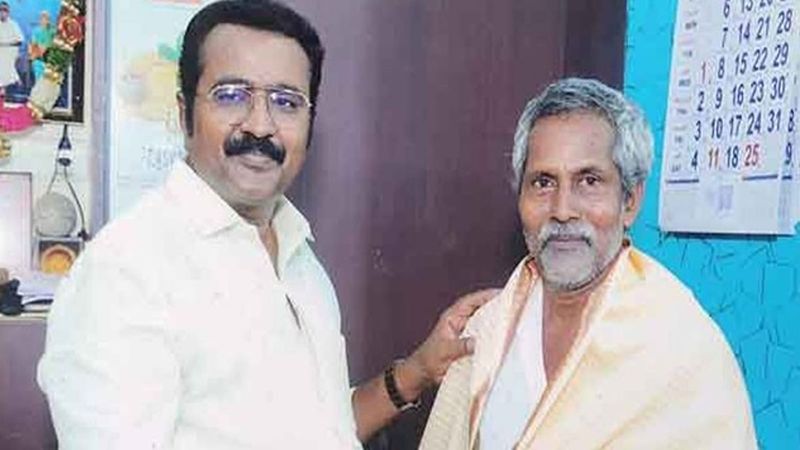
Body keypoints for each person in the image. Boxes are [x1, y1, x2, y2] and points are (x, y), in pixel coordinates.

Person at [37, 1, 492, 448]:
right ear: (183, 113)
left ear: (309, 123)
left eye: (286, 102)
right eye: (231, 95)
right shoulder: (125, 270)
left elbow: (321, 431)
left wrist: (416, 372)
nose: (259, 125)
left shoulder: (298, 255)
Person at [420, 78, 758, 449]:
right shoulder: (488, 330)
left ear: (630, 202)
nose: (563, 210)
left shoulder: (684, 349)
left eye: (589, 181)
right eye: (543, 182)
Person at [0, 1, 22, 96]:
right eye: (1, 10)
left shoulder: (13, 24)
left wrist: (5, 44)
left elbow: (19, 41)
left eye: (5, 10)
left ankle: (3, 87)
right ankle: (15, 79)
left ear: (8, 12)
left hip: (11, 50)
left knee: (4, 58)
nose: (2, 12)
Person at [29, 10, 55, 81]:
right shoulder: (35, 31)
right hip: (38, 58)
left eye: (46, 19)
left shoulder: (52, 31)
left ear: (49, 20)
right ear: (39, 20)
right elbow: (33, 45)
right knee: (39, 78)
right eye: (42, 18)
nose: (44, 20)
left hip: (49, 57)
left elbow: (54, 44)